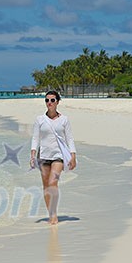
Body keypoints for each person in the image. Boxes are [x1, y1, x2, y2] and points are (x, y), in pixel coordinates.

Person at [30, 91, 76, 225]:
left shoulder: (64, 120)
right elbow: (35, 138)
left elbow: (70, 138)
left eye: (52, 100)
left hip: (58, 156)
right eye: (47, 100)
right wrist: (32, 154)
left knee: (52, 183)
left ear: (57, 102)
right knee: (45, 186)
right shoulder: (40, 119)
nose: (49, 103)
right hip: (43, 156)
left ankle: (54, 213)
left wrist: (73, 155)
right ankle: (51, 213)